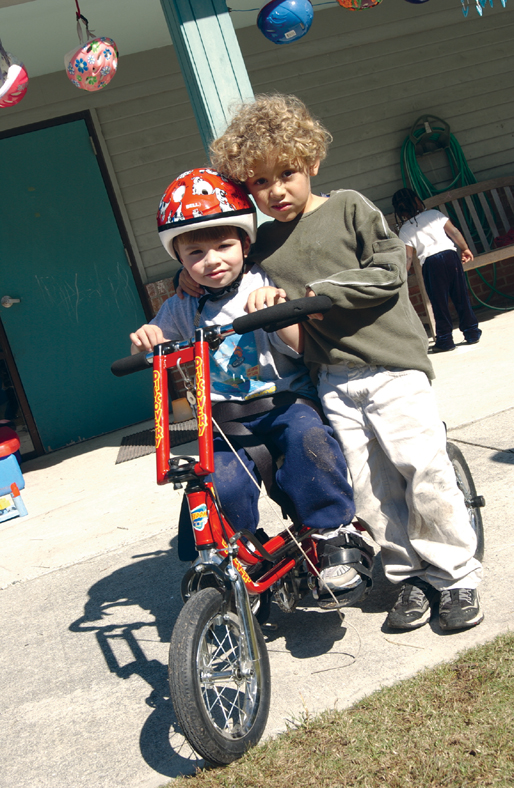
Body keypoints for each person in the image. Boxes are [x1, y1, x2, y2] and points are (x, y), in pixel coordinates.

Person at [175, 93, 483, 632]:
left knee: (422, 468)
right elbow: (230, 272)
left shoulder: (348, 207)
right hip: (332, 378)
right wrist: (187, 276)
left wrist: (319, 293)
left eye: (287, 173)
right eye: (260, 183)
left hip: (390, 365)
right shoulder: (262, 245)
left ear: (312, 161)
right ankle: (406, 575)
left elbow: (390, 268)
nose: (276, 191)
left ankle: (454, 576)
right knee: (367, 485)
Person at [130, 167, 373, 608]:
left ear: (244, 243)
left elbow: (303, 350)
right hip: (224, 422)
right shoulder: (181, 305)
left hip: (283, 403)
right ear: (180, 260)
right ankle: (240, 559)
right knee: (218, 483)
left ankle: (332, 533)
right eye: (196, 252)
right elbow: (158, 340)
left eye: (224, 246)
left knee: (308, 440)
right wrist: (149, 340)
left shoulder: (266, 280)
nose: (212, 260)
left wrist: (280, 314)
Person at [392, 187, 482, 353]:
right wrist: (465, 248)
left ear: (400, 212)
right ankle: (471, 332)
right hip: (450, 256)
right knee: (461, 295)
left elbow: (408, 257)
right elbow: (454, 232)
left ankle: (445, 339)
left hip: (431, 264)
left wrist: (403, 274)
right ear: (418, 201)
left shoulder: (404, 230)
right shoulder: (434, 214)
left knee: (439, 302)